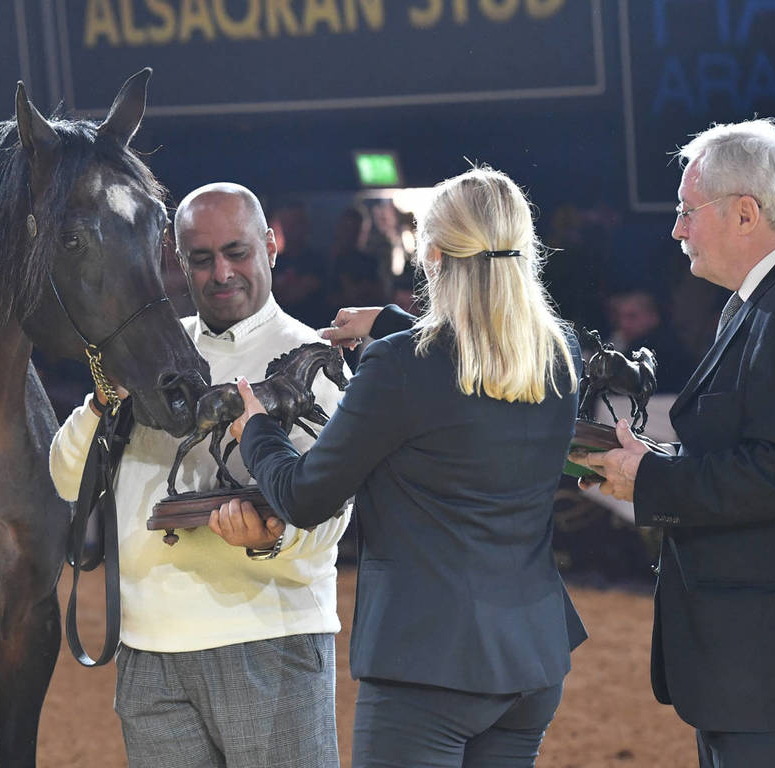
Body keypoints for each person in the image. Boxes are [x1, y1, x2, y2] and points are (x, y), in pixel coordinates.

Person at [222, 166, 587, 767]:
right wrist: (391, 322)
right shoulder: (558, 350)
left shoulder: (398, 367)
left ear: (434, 256)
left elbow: (306, 498)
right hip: (532, 659)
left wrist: (256, 429)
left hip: (429, 665)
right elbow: (467, 372)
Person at [49, 182, 351, 768]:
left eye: (236, 252)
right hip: (148, 651)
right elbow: (65, 478)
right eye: (201, 258)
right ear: (176, 259)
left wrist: (272, 538)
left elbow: (334, 510)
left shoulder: (313, 357)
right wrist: (99, 402)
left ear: (270, 244)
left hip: (268, 643)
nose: (221, 273)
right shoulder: (147, 354)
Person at [570, 119, 775, 768]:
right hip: (758, 669)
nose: (676, 229)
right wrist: (654, 462)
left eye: (686, 211)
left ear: (744, 213)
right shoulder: (763, 302)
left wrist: (650, 481)